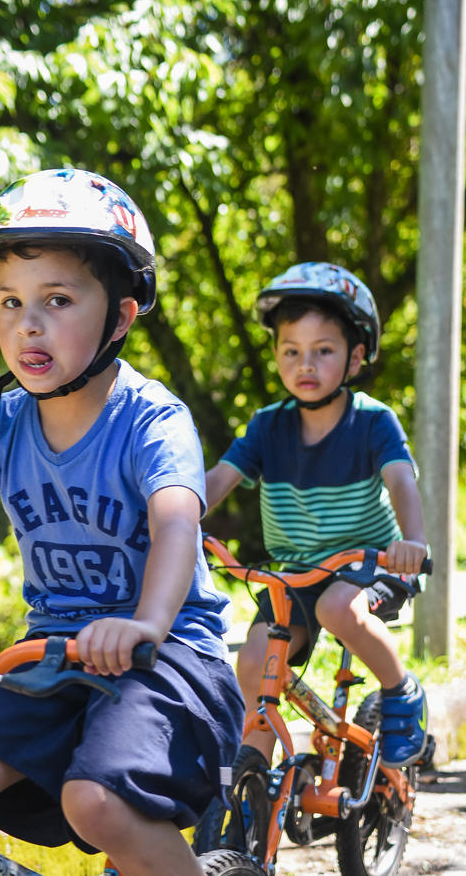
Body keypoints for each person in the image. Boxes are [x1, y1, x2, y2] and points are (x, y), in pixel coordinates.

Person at [0, 168, 244, 876]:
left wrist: (146, 624)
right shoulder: (2, 426)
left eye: (58, 300)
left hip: (169, 659)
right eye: (10, 302)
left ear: (121, 318)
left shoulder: (152, 421)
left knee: (95, 802)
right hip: (51, 661)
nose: (27, 324)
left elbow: (175, 528)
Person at [205, 261, 429, 769]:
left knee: (337, 608)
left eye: (322, 352)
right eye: (291, 352)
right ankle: (250, 776)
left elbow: (401, 482)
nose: (305, 364)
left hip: (373, 564)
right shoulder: (268, 426)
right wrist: (175, 515)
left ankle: (401, 690)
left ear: (354, 360)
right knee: (255, 657)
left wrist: (412, 542)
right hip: (299, 574)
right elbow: (219, 479)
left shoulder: (372, 421)